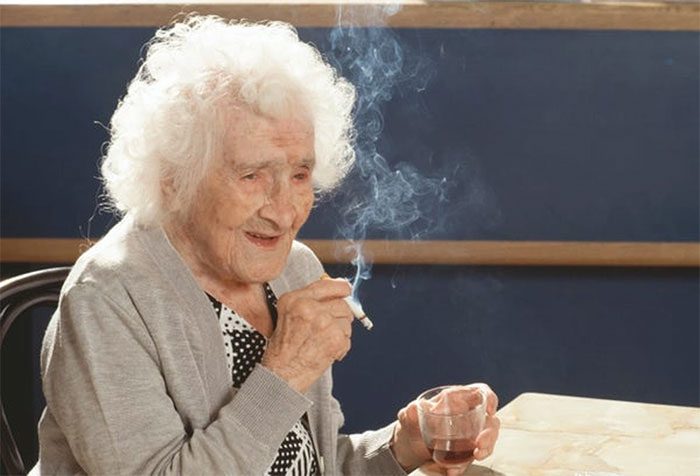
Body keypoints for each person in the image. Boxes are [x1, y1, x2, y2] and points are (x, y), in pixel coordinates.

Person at [34, 15, 499, 475]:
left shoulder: (292, 268)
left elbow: (303, 462)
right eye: (251, 175)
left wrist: (401, 446)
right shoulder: (109, 299)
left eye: (300, 175)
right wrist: (285, 372)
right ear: (175, 180)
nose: (284, 211)